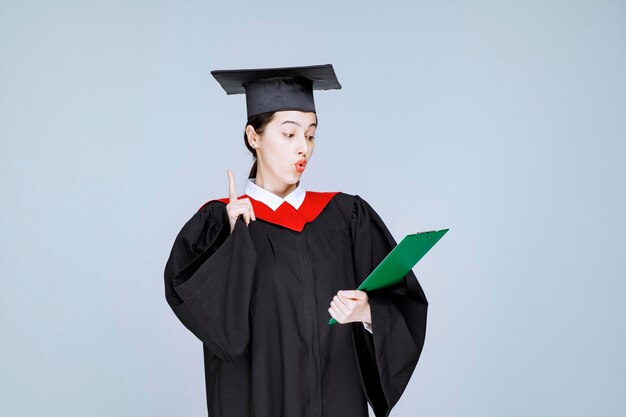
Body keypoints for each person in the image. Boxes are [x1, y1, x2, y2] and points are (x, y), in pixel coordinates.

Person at [163, 64, 428, 417]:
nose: (303, 147)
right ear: (253, 137)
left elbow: (403, 302)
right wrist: (230, 241)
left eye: (311, 135)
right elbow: (213, 323)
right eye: (289, 134)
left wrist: (367, 311)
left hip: (336, 399)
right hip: (260, 401)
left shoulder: (346, 217)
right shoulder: (218, 225)